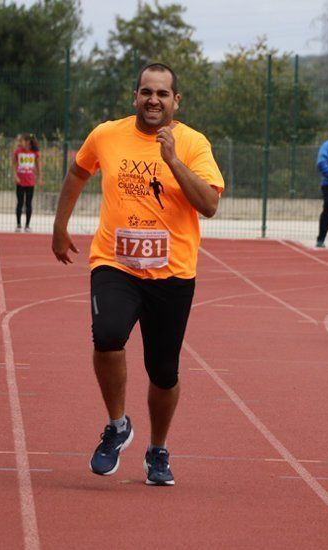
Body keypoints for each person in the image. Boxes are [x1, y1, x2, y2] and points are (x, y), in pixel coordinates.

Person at [51, 63, 224, 486]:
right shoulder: (107, 134)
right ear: (135, 97)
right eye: (146, 92)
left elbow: (209, 204)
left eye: (162, 94)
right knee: (107, 336)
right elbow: (78, 171)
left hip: (173, 273)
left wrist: (172, 161)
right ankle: (117, 425)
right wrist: (60, 225)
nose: (153, 100)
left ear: (175, 101)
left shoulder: (193, 144)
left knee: (163, 371)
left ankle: (157, 450)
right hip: (115, 263)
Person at [12, 133, 40, 232]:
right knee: (20, 203)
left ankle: (27, 225)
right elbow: (14, 165)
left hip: (30, 182)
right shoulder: (18, 152)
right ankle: (18, 224)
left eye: (22, 141)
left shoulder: (34, 153)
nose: (20, 143)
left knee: (28, 203)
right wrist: (15, 176)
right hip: (20, 181)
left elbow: (38, 166)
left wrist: (39, 177)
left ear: (27, 142)